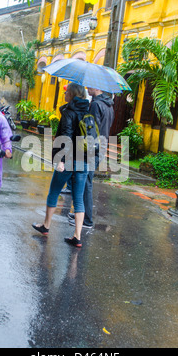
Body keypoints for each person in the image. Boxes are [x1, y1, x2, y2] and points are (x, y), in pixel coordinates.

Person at [32, 82, 90, 248]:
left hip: (69, 159)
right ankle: (77, 236)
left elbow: (66, 136)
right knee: (78, 198)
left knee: (54, 191)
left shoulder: (68, 112)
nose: (64, 95)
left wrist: (61, 161)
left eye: (66, 93)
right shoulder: (89, 111)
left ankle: (46, 225)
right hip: (84, 159)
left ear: (71, 94)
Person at [68, 87, 114, 229]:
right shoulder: (109, 105)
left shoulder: (95, 105)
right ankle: (80, 213)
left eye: (90, 86)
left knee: (85, 181)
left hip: (92, 147)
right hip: (102, 145)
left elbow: (90, 128)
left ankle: (86, 219)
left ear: (98, 87)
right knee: (84, 180)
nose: (87, 88)